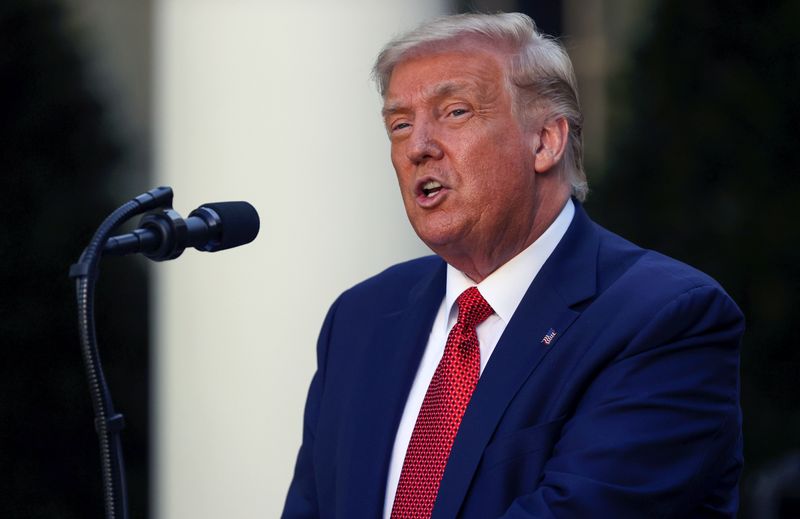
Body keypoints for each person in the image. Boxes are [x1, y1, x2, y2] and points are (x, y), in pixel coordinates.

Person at [282, 12, 743, 519]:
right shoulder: (361, 318)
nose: (418, 147)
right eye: (400, 124)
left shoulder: (662, 319)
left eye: (454, 112)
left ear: (545, 140)